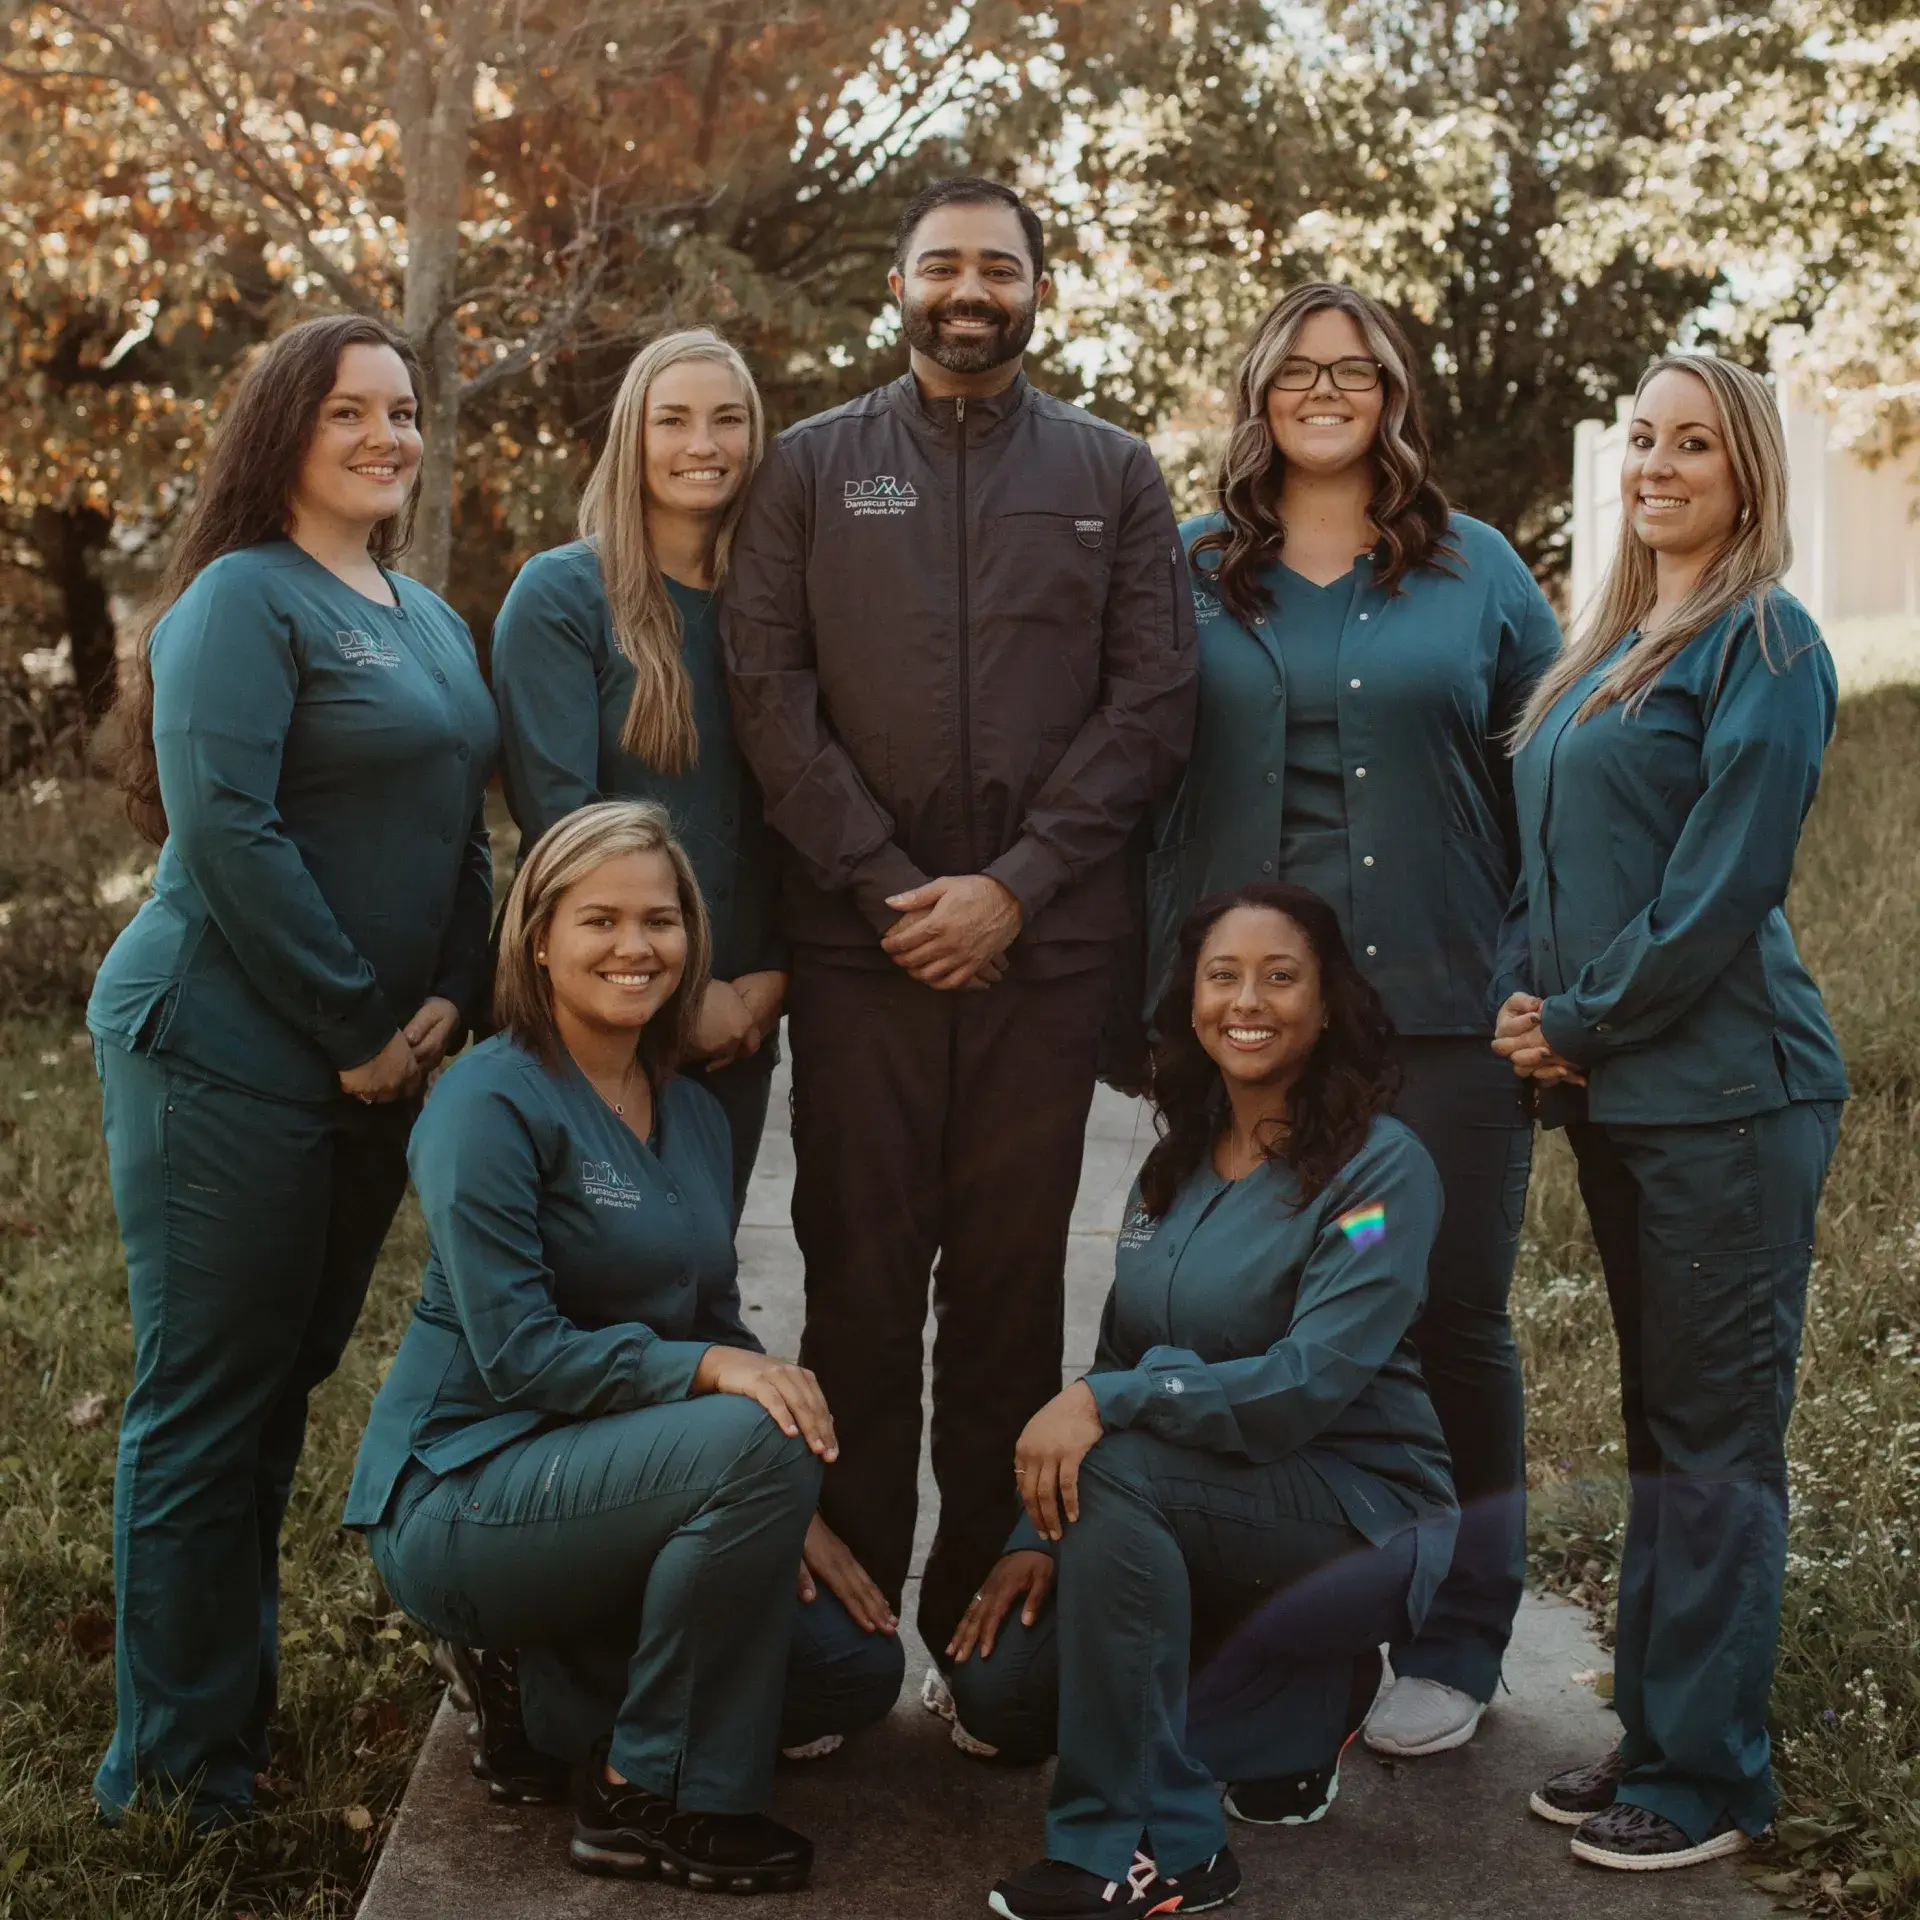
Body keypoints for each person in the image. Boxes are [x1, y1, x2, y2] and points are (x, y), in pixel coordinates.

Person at [721, 176, 1197, 1662]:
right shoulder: (809, 469)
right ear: (902, 287)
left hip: (1045, 956)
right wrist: (890, 889)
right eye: (943, 266)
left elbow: (1154, 700)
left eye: (999, 265)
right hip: (863, 957)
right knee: (857, 1287)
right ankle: (849, 1637)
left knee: (1006, 1291)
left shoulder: (1114, 473)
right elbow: (768, 697)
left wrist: (1016, 887)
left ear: (1040, 288)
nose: (969, 288)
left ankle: (988, 1634)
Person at [86, 315, 498, 1827]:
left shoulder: (431, 617)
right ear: (283, 431)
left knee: (277, 1390)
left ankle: (223, 1712)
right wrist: (355, 1032)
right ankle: (174, 1772)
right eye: (349, 411)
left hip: (379, 1063)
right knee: (207, 1402)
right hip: (225, 1049)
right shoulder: (237, 606)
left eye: (402, 411)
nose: (388, 435)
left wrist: (452, 997)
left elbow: (466, 835)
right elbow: (230, 838)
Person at [347, 802, 904, 1894]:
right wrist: (735, 1415)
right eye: (599, 919)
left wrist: (778, 1501)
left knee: (857, 1671)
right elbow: (520, 1354)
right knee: (755, 1432)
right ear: (538, 936)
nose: (634, 947)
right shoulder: (484, 1100)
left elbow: (710, 1319)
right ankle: (648, 1798)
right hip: (466, 1486)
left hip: (611, 1488)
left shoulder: (692, 1114)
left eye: (661, 920)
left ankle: (536, 1691)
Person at [1154, 282, 1560, 1757]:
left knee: (1446, 1313)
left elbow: (1556, 784)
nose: (1327, 390)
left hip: (1445, 1017)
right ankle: (1274, 1610)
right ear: (1259, 392)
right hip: (1247, 1028)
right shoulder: (1187, 568)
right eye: (1299, 369)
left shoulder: (1482, 572)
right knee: (1249, 1307)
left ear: (1396, 393)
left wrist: (1546, 978)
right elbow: (1135, 779)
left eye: (1358, 370)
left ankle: (1458, 1638)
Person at [1494, 354, 1848, 1871]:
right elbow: (1557, 862)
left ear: (1747, 471)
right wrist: (1530, 1000)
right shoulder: (1605, 645)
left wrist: (1578, 1019)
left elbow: (1721, 889)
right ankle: (1655, 1737)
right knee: (1664, 1432)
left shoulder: (1763, 641)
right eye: (1644, 439)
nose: (1660, 464)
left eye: (1694, 443)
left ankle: (1710, 1786)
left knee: (1714, 1444)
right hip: (1626, 1099)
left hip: (1729, 1098)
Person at [946, 886, 1455, 1920]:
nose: (1246, 1000)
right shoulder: (1170, 1168)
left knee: (1123, 1466)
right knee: (998, 1694)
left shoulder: (1379, 1180)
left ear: (1326, 1006)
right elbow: (1114, 1356)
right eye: (1223, 976)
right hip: (1198, 1505)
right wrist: (1034, 1536)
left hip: (1356, 1512)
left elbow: (1306, 1381)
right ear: (1190, 1003)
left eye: (1280, 976)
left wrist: (1113, 1403)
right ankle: (1301, 1704)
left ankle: (1151, 1848)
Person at [492, 329, 787, 1223]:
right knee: (590, 1274)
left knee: (698, 1266)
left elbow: (798, 806)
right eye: (675, 420)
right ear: (634, 437)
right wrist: (680, 997)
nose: (703, 444)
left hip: (741, 1016)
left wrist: (771, 980)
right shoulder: (563, 595)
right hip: (602, 1003)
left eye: (727, 419)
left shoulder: (781, 605)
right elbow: (558, 818)